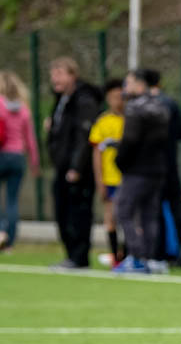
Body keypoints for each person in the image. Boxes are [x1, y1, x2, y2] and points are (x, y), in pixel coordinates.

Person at [113, 70, 170, 274]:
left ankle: (136, 256)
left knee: (123, 210)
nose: (125, 88)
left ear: (139, 84)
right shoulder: (161, 107)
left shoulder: (135, 108)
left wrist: (119, 160)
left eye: (128, 83)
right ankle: (149, 258)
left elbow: (130, 140)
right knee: (150, 214)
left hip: (137, 169)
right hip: (157, 168)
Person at [46, 57, 101, 269]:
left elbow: (84, 135)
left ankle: (79, 256)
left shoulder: (84, 100)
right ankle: (70, 254)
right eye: (53, 74)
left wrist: (77, 167)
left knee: (77, 212)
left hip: (77, 169)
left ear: (73, 75)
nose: (55, 78)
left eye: (60, 73)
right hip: (62, 165)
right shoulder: (62, 100)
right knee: (62, 211)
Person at [143, 69, 181, 258]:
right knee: (177, 207)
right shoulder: (171, 104)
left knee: (155, 209)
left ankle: (158, 253)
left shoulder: (145, 106)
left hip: (153, 166)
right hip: (171, 164)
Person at [0, 70, 40, 251]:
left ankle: (1, 231)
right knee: (12, 200)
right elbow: (30, 139)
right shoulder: (24, 109)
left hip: (2, 155)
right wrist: (34, 162)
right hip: (17, 157)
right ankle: (9, 241)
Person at [90, 78, 125, 265]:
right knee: (110, 218)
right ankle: (115, 259)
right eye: (113, 97)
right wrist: (99, 179)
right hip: (110, 178)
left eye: (121, 97)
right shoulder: (103, 122)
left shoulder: (131, 120)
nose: (118, 101)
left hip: (127, 178)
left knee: (128, 219)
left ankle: (127, 257)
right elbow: (96, 152)